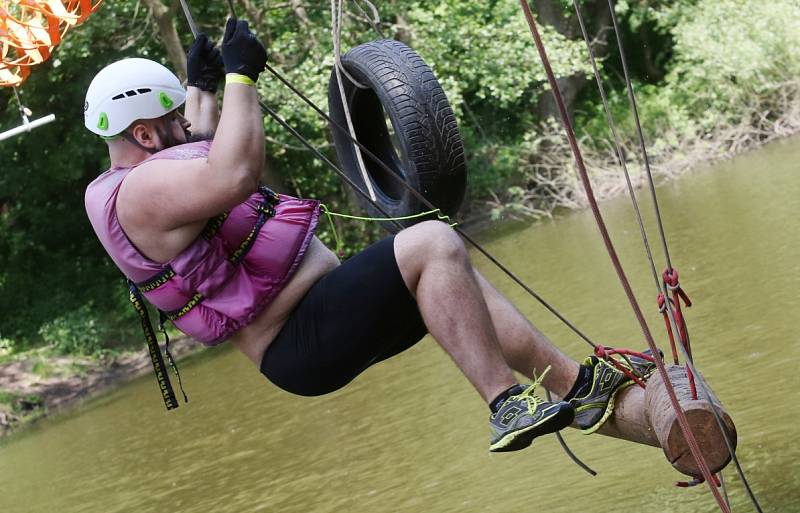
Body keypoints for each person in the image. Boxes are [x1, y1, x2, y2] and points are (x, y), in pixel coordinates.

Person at [83, 19, 634, 452]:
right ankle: (506, 406)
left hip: (323, 320)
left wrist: (202, 84)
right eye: (173, 121)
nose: (186, 126)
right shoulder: (138, 194)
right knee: (432, 243)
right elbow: (231, 172)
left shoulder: (147, 177)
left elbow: (198, 141)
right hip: (300, 340)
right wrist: (242, 78)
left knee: (450, 278)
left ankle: (577, 388)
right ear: (144, 133)